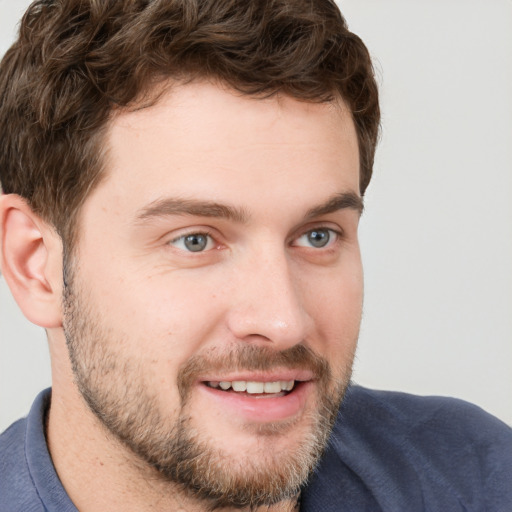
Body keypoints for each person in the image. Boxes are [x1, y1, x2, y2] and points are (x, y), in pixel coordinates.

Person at [0, 1, 510, 511]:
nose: (283, 321)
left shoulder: (478, 480)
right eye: (195, 240)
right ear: (35, 265)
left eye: (317, 236)